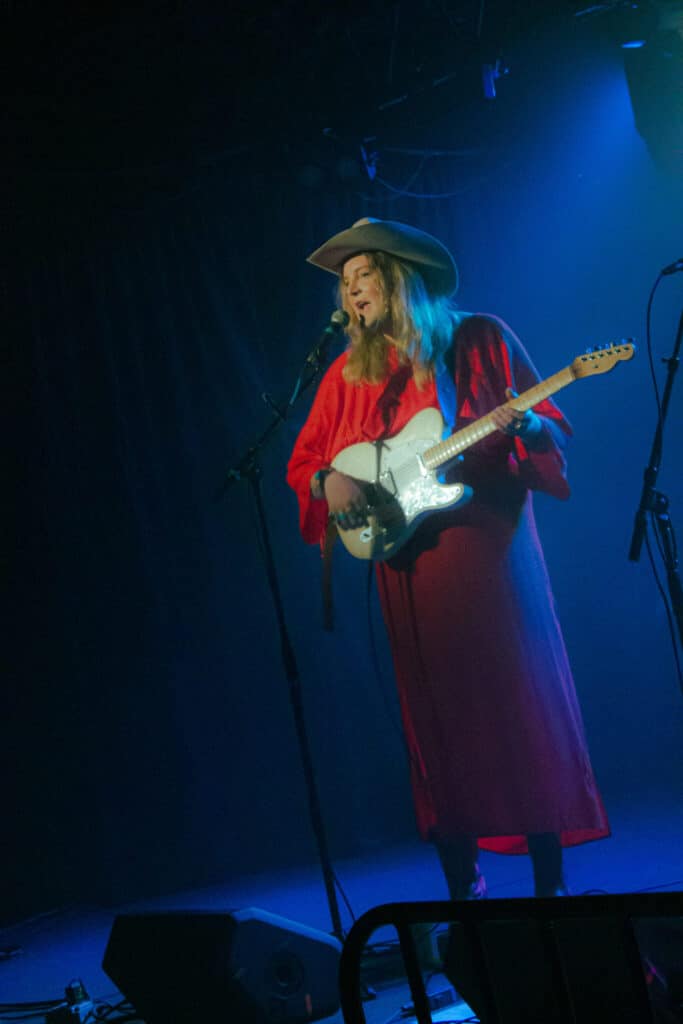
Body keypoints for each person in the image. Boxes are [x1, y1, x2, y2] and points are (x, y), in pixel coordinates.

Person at [287, 217, 609, 901]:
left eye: (363, 276)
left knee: (520, 703)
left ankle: (550, 888)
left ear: (398, 279)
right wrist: (327, 480)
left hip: (489, 548)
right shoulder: (347, 374)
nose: (351, 293)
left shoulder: (480, 337)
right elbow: (306, 460)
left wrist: (529, 424)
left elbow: (551, 428)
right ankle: (464, 888)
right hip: (411, 568)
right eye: (344, 284)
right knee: (437, 724)